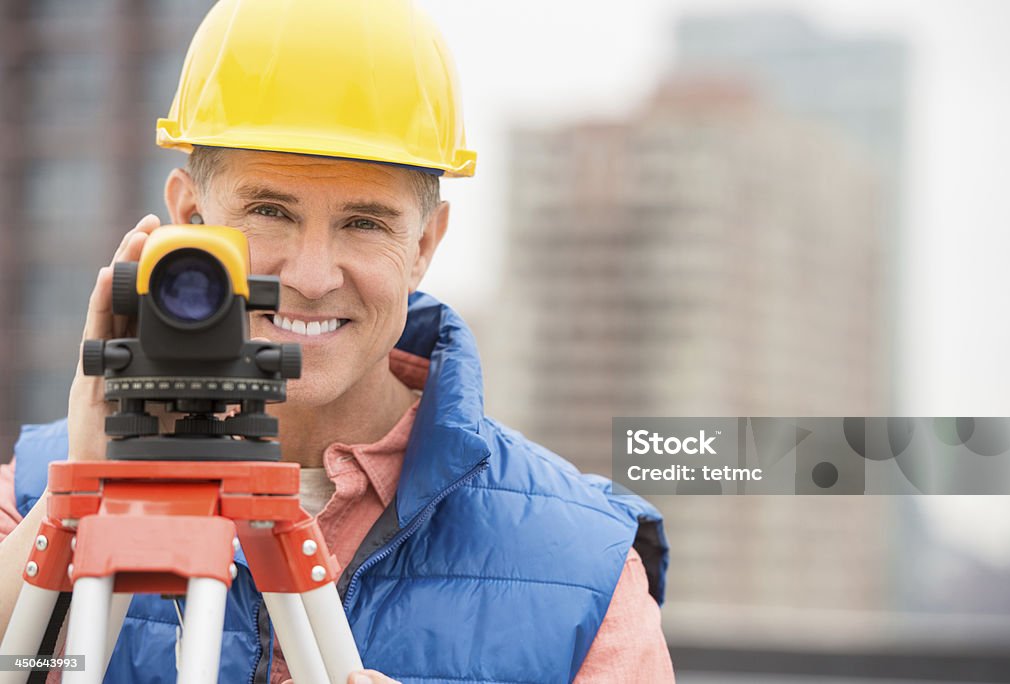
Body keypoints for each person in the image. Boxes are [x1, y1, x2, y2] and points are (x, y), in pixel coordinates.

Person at [0, 1, 672, 682]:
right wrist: (77, 499)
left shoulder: (583, 568)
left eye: (364, 223)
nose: (314, 277)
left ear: (424, 245)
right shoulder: (29, 497)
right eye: (268, 211)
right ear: (188, 217)